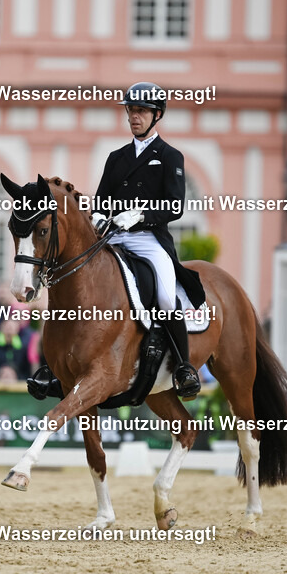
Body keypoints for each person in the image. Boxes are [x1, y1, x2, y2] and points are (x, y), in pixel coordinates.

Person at [87, 81, 204, 399]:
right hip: (114, 237)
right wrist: (98, 217)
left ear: (157, 115)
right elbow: (101, 201)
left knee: (165, 298)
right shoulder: (116, 157)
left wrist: (140, 215)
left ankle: (184, 367)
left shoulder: (169, 156)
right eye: (131, 111)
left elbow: (175, 206)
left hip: (148, 239)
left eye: (141, 111)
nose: (134, 117)